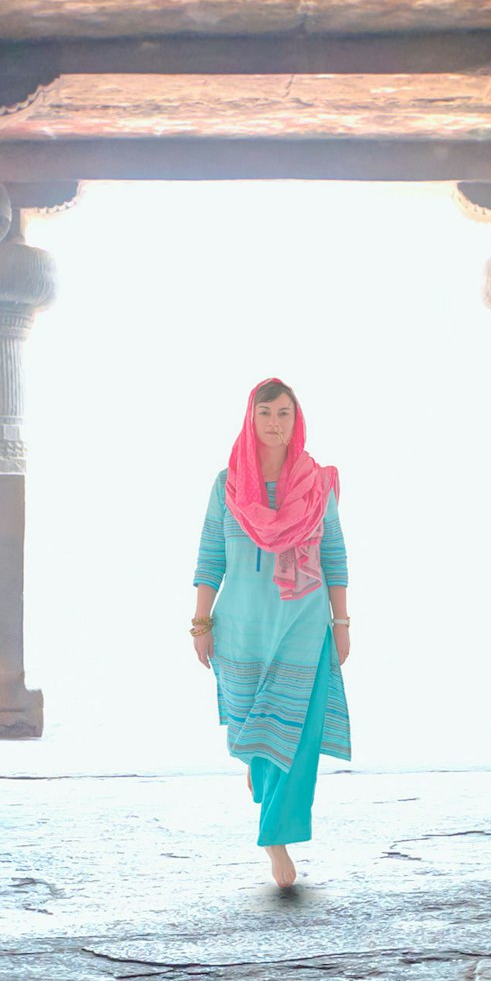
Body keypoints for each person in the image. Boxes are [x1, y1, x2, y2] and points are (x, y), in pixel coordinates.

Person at [189, 377, 353, 893]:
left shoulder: (317, 483)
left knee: (298, 734)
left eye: (284, 413)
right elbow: (210, 556)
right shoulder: (227, 485)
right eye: (266, 413)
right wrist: (201, 622)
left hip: (303, 622)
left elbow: (335, 556)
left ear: (296, 419)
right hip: (240, 627)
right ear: (251, 418)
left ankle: (274, 837)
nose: (275, 423)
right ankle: (261, 771)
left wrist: (341, 622)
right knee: (254, 731)